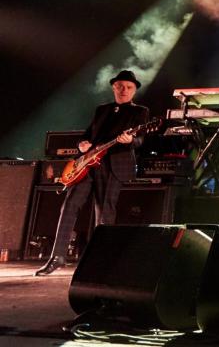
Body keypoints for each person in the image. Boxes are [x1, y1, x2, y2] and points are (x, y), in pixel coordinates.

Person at [35, 70, 150, 276]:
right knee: (69, 205)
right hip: (87, 165)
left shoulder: (139, 112)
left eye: (129, 87)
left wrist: (131, 140)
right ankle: (57, 257)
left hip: (114, 164)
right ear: (113, 87)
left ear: (134, 90)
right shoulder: (102, 110)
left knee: (104, 212)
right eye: (120, 86)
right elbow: (87, 135)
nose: (124, 90)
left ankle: (99, 262)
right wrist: (81, 144)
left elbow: (141, 141)